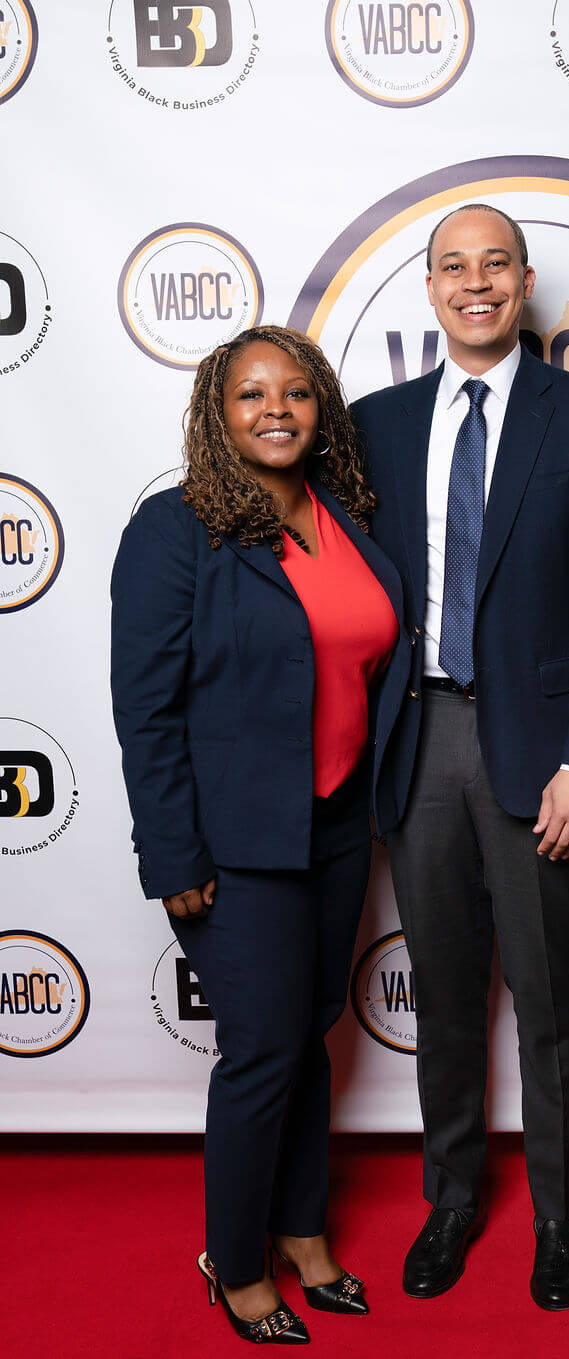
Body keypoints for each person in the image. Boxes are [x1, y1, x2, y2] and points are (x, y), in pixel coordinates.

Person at [350, 204, 569, 1310]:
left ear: (523, 282)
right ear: (430, 289)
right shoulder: (377, 424)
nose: (474, 283)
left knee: (550, 995)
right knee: (443, 993)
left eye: (495, 264)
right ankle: (453, 1196)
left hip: (542, 749)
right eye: (452, 267)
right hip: (419, 735)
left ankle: (562, 1215)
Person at [111, 324, 408, 1345]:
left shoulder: (345, 518)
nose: (276, 409)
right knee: (263, 1050)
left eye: (295, 391)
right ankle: (235, 1262)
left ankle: (304, 1230)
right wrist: (172, 852)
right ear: (217, 413)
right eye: (250, 393)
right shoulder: (175, 529)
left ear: (321, 409)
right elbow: (146, 711)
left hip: (337, 824)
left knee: (310, 1036)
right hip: (234, 843)